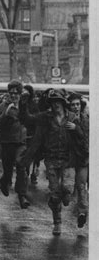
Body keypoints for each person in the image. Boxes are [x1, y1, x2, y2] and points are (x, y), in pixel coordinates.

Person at [20, 90, 85, 235]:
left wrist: (76, 129)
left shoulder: (72, 118)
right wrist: (23, 103)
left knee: (67, 190)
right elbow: (27, 119)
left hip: (68, 160)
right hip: (51, 160)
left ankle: (64, 197)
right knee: (55, 194)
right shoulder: (45, 118)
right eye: (53, 102)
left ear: (62, 103)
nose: (55, 104)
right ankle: (57, 223)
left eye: (58, 101)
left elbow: (83, 138)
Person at [0, 80, 30, 209]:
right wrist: (6, 114)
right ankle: (4, 182)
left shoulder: (24, 105)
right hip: (7, 142)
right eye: (11, 93)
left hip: (21, 142)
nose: (14, 95)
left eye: (16, 93)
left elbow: (30, 120)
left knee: (21, 166)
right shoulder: (3, 106)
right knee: (8, 171)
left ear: (20, 94)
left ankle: (22, 195)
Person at [68, 92, 89, 228]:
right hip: (69, 159)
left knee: (81, 186)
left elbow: (86, 140)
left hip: (82, 158)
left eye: (77, 104)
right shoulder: (65, 119)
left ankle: (82, 213)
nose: (76, 107)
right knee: (68, 187)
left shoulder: (86, 119)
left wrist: (76, 129)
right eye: (73, 105)